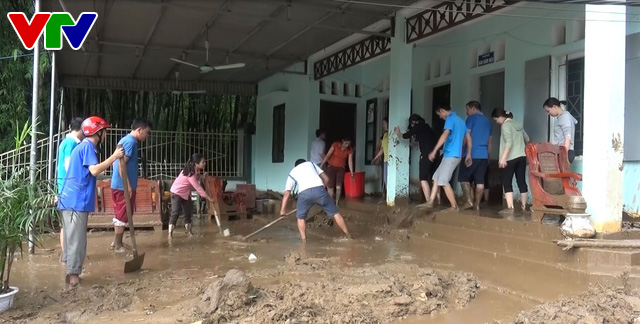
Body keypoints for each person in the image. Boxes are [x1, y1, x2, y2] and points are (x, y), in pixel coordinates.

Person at [58, 117, 124, 287]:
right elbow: (94, 170)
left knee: (71, 239)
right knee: (77, 241)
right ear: (98, 132)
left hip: (69, 200)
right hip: (76, 201)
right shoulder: (88, 147)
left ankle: (69, 275)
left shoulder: (82, 147)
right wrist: (115, 156)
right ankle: (73, 279)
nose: (106, 135)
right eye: (105, 131)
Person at [280, 159, 351, 242]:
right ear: (305, 162)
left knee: (300, 218)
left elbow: (287, 193)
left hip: (304, 194)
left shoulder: (293, 171)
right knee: (335, 213)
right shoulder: (311, 164)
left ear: (296, 166)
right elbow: (326, 179)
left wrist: (283, 211)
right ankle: (348, 235)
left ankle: (304, 241)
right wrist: (320, 191)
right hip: (320, 190)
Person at [110, 118, 152, 253]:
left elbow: (116, 162)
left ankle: (117, 242)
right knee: (122, 214)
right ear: (139, 130)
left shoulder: (128, 141)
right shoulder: (129, 142)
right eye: (147, 132)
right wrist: (127, 185)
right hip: (122, 186)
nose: (147, 135)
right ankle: (117, 245)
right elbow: (120, 166)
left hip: (122, 185)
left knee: (123, 214)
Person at [425, 105, 472, 211]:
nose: (440, 117)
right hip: (451, 155)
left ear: (442, 110)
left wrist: (434, 151)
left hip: (451, 155)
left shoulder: (450, 119)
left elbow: (445, 135)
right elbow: (469, 139)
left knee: (443, 181)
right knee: (436, 177)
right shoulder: (461, 120)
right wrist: (468, 154)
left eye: (440, 114)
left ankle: (454, 206)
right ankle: (430, 202)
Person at [491, 108, 530, 214]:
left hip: (510, 158)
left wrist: (503, 158)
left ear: (500, 117)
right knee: (521, 181)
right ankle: (523, 206)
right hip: (522, 157)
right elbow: (527, 138)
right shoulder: (517, 124)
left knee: (506, 181)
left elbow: (508, 142)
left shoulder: (505, 125)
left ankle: (510, 208)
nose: (497, 122)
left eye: (496, 120)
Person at [57, 117, 85, 263]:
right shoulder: (71, 143)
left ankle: (67, 254)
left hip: (65, 187)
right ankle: (67, 255)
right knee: (69, 224)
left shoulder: (67, 142)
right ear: (82, 129)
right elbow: (69, 166)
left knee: (66, 224)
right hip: (68, 188)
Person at [169, 153, 215, 238]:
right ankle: (170, 235)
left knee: (188, 213)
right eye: (203, 162)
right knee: (175, 212)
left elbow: (197, 176)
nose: (204, 163)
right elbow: (198, 188)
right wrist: (209, 198)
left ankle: (189, 233)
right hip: (177, 192)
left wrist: (202, 176)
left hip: (185, 193)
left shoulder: (195, 170)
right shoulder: (190, 173)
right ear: (196, 164)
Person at [394, 114, 436, 205]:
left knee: (423, 178)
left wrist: (398, 133)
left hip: (426, 155)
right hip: (435, 154)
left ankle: (429, 202)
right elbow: (418, 141)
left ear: (413, 122)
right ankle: (439, 200)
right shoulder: (427, 127)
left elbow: (406, 135)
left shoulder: (417, 126)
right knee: (435, 179)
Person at [459, 101, 492, 210]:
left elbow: (466, 137)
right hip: (483, 155)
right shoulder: (488, 121)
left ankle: (469, 201)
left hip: (471, 154)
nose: (466, 112)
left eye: (467, 109)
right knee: (480, 181)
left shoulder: (471, 119)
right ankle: (477, 205)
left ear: (473, 108)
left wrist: (461, 148)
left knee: (464, 178)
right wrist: (488, 156)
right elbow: (489, 141)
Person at [543, 97, 578, 163]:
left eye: (548, 111)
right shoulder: (563, 117)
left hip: (566, 152)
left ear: (554, 107)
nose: (548, 114)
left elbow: (568, 136)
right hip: (564, 151)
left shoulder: (565, 117)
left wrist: (564, 154)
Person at [320, 137, 354, 206]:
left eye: (348, 144)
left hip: (341, 168)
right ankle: (331, 203)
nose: (347, 145)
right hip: (331, 167)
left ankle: (337, 203)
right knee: (330, 186)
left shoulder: (350, 150)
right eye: (346, 143)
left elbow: (350, 162)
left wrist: (352, 173)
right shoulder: (335, 145)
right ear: (342, 141)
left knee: (338, 186)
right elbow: (327, 155)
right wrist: (321, 165)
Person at [372, 118, 389, 197]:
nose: (383, 126)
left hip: (392, 161)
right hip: (386, 160)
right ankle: (388, 196)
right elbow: (382, 148)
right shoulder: (385, 135)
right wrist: (376, 158)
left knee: (390, 179)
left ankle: (390, 196)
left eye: (384, 124)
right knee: (385, 179)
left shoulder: (392, 134)